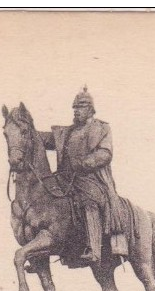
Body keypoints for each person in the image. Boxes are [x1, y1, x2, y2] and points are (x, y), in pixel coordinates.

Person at [38, 87, 127, 262]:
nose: (76, 111)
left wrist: (85, 163)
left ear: (90, 109)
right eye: (75, 108)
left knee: (89, 200)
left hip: (90, 178)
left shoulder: (102, 128)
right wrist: (26, 129)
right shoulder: (67, 132)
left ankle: (94, 249)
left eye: (80, 108)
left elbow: (105, 153)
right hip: (65, 179)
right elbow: (46, 139)